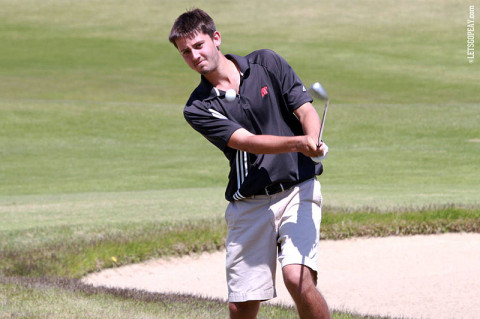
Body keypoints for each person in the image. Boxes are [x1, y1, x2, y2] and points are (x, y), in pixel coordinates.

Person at [169, 8, 330, 319]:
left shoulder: (266, 63)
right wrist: (300, 143)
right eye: (185, 52)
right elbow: (246, 141)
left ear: (216, 38)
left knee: (298, 279)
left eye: (198, 45)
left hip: (299, 190)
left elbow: (304, 108)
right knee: (241, 306)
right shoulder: (198, 107)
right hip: (250, 202)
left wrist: (313, 138)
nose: (194, 56)